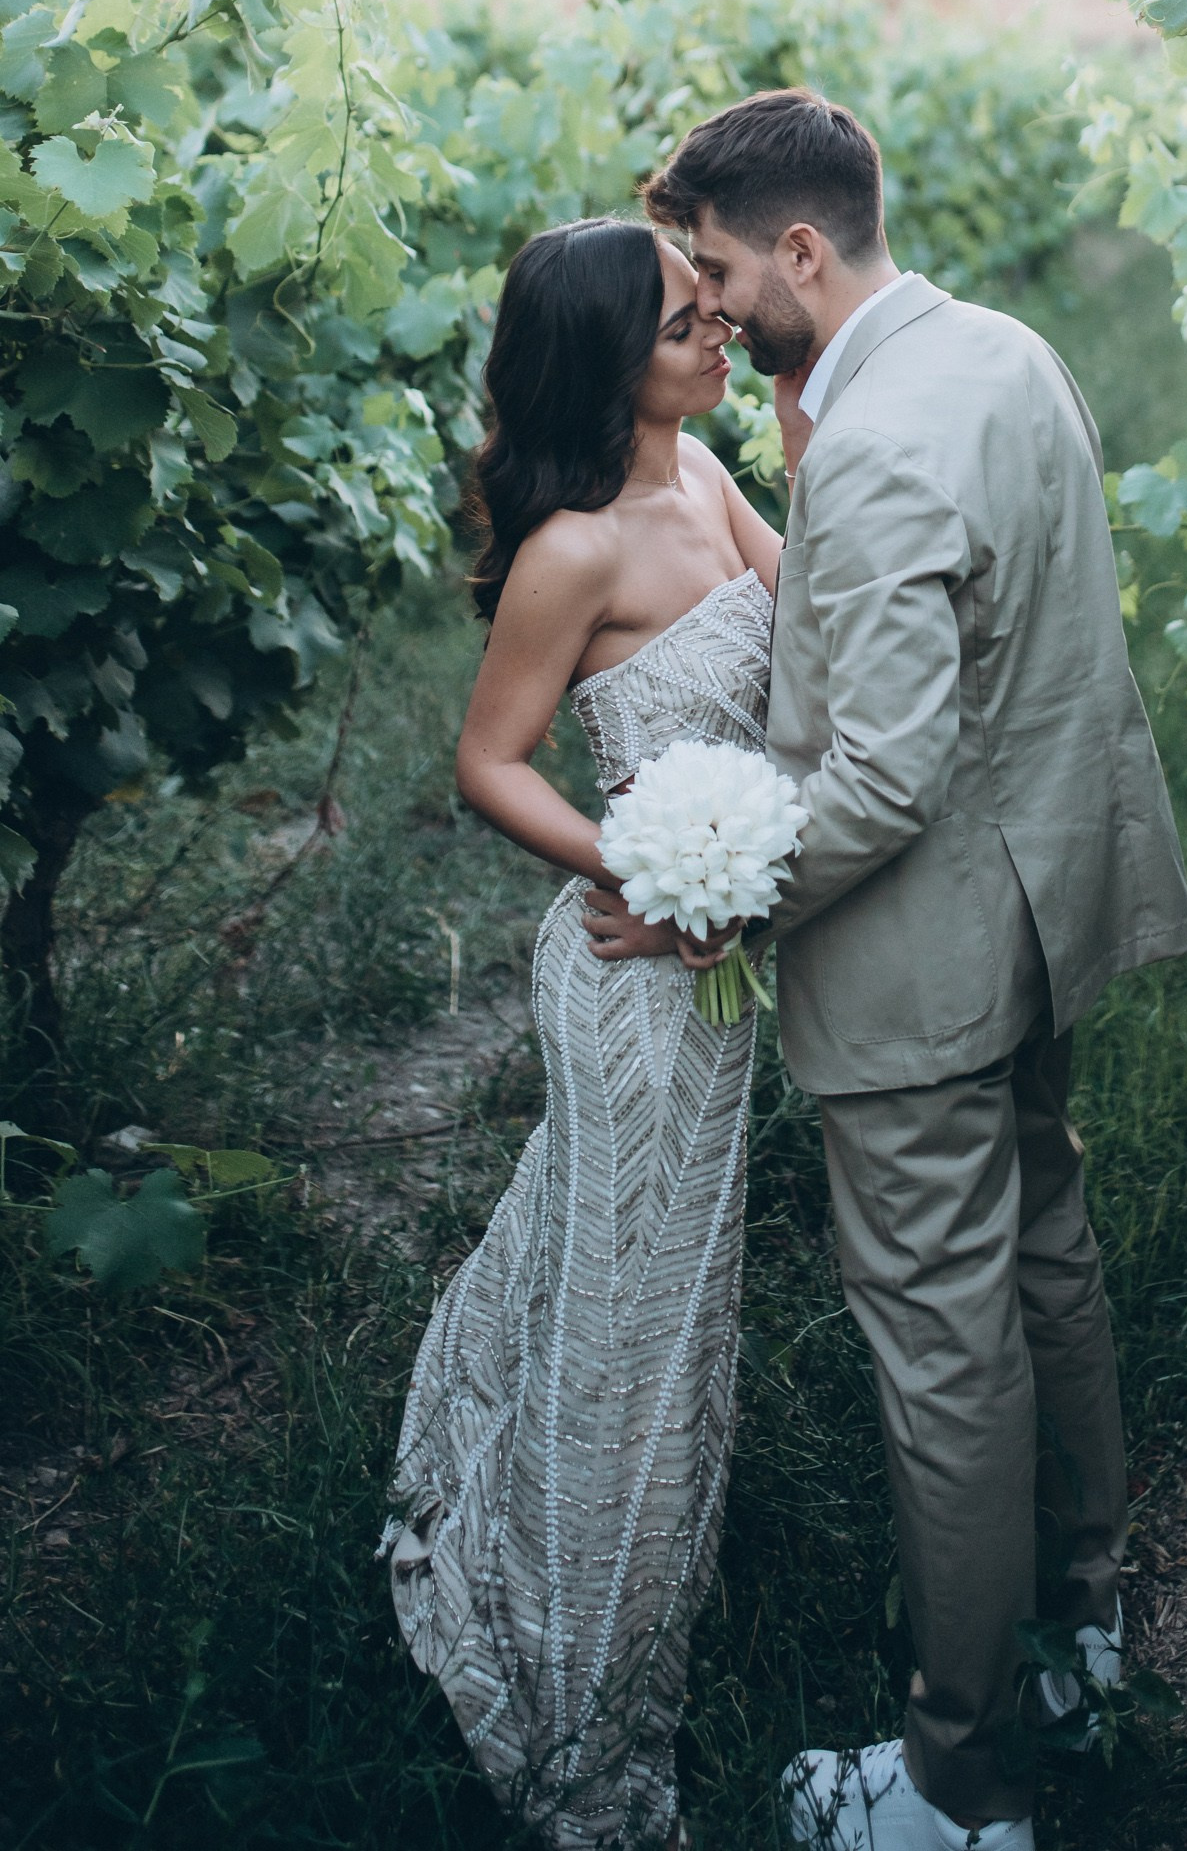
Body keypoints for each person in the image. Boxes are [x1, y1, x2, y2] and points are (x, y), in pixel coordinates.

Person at [644, 88, 1187, 1851]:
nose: (714, 308)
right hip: (1040, 906)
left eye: (725, 271)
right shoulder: (1008, 354)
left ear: (804, 246)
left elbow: (877, 776)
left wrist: (709, 892)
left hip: (922, 962)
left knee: (943, 1355)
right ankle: (1085, 1631)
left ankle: (963, 1784)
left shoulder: (874, 446)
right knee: (1049, 1253)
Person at [381, 214, 781, 1851]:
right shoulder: (578, 550)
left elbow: (806, 634)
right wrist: (647, 865)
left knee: (634, 1282)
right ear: (607, 354)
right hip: (632, 973)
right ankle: (577, 1692)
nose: (722, 332)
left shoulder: (711, 475)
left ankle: (548, 1524)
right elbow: (491, 761)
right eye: (690, 318)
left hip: (721, 961)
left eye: (716, 311)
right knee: (633, 1322)